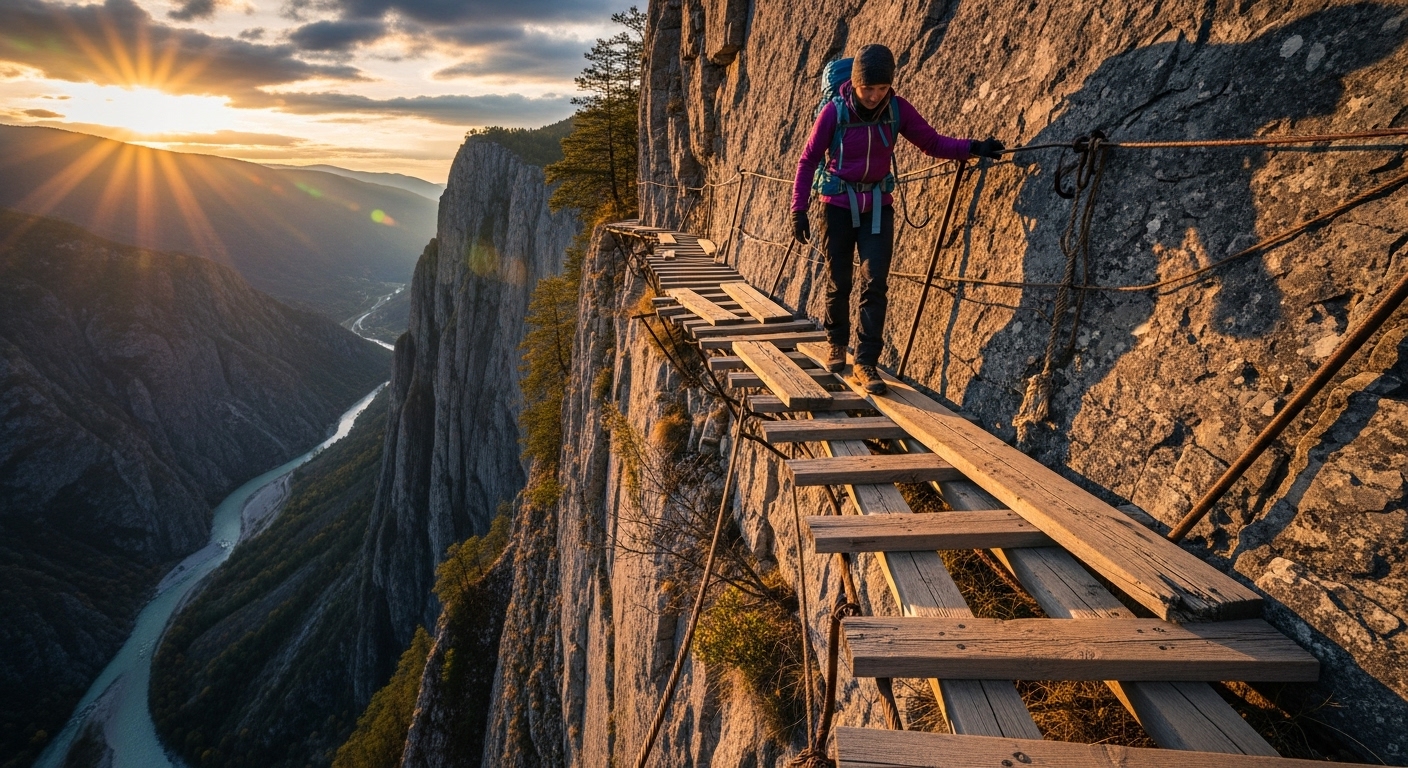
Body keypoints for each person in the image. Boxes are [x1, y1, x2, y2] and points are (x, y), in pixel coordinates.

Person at [791, 44, 1004, 394]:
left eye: (882, 88)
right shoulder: (834, 112)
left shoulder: (897, 109)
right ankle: (835, 342)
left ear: (890, 85)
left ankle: (865, 362)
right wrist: (799, 210)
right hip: (837, 206)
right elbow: (808, 159)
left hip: (877, 206)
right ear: (855, 85)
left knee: (875, 283)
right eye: (867, 89)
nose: (875, 96)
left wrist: (974, 147)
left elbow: (931, 143)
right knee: (839, 281)